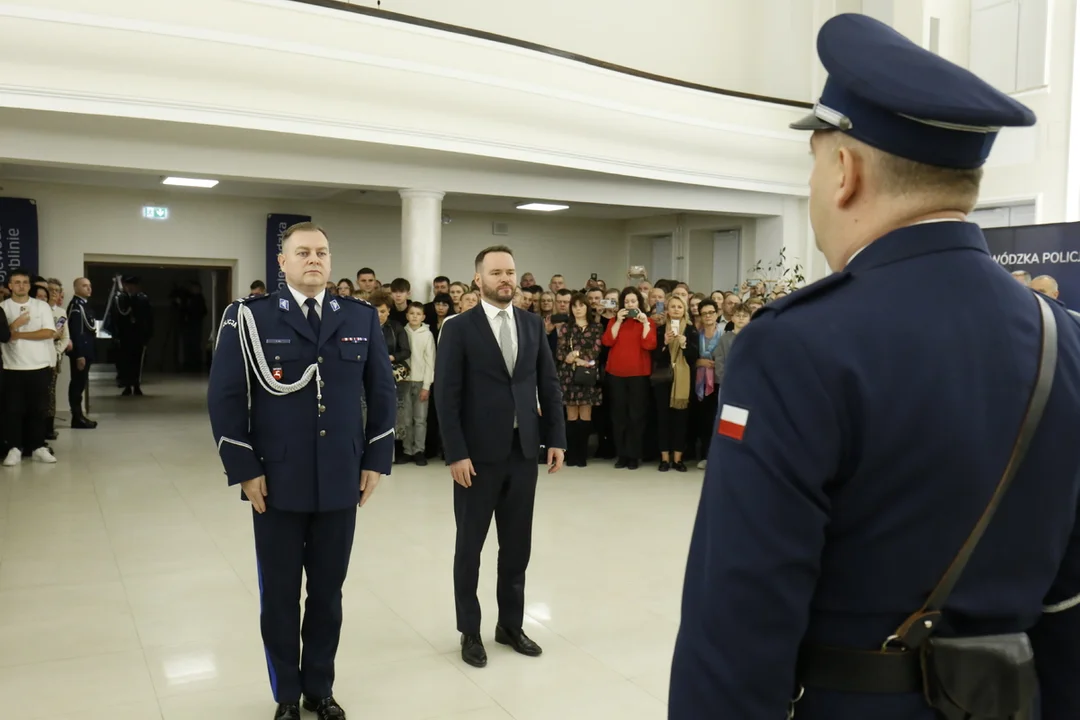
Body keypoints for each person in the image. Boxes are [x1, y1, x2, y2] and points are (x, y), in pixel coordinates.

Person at [669, 13, 1080, 720]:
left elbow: (740, 615)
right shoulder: (1063, 337)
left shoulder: (797, 344)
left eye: (814, 162)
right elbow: (1070, 596)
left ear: (845, 172)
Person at [208, 222, 397, 720]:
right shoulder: (248, 317)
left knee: (328, 594)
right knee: (280, 596)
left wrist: (376, 459)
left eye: (322, 252)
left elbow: (381, 392)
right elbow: (226, 397)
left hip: (341, 478)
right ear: (283, 263)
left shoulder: (359, 316)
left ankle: (320, 687)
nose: (314, 259)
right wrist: (244, 468)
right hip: (276, 479)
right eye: (303, 252)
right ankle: (287, 696)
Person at [434, 245, 565, 669]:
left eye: (510, 271)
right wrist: (455, 452)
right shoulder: (458, 328)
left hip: (523, 451)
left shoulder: (532, 323)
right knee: (470, 546)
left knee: (516, 546)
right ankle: (469, 630)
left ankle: (510, 624)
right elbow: (446, 395)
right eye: (496, 273)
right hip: (476, 457)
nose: (505, 279)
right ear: (479, 279)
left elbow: (549, 384)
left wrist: (556, 438)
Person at [66, 277, 98, 429]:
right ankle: (76, 417)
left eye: (89, 286)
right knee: (77, 385)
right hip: (81, 353)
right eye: (85, 286)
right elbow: (76, 333)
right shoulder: (76, 306)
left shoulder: (84, 306)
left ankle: (79, 416)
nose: (89, 288)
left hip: (87, 351)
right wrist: (79, 355)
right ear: (76, 288)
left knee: (81, 385)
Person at [115, 276, 153, 395]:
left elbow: (149, 319)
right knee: (125, 362)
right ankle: (127, 385)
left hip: (139, 336)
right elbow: (117, 317)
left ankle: (136, 385)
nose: (131, 288)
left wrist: (148, 335)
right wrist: (116, 335)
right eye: (128, 285)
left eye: (133, 286)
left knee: (138, 362)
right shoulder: (121, 299)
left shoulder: (143, 299)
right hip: (125, 336)